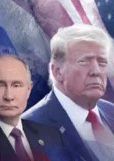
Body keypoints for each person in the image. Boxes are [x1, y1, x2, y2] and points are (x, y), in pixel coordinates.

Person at [24, 25, 114, 161]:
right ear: (57, 71)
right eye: (84, 62)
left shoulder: (111, 111)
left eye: (102, 62)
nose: (96, 71)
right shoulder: (27, 130)